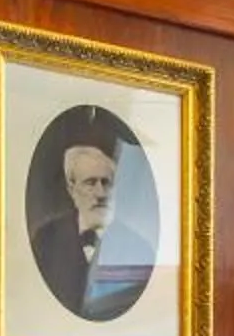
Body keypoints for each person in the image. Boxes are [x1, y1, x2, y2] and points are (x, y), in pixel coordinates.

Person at [26, 103, 158, 321]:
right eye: (90, 183)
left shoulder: (139, 249)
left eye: (107, 183)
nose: (100, 193)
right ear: (72, 189)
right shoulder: (45, 240)